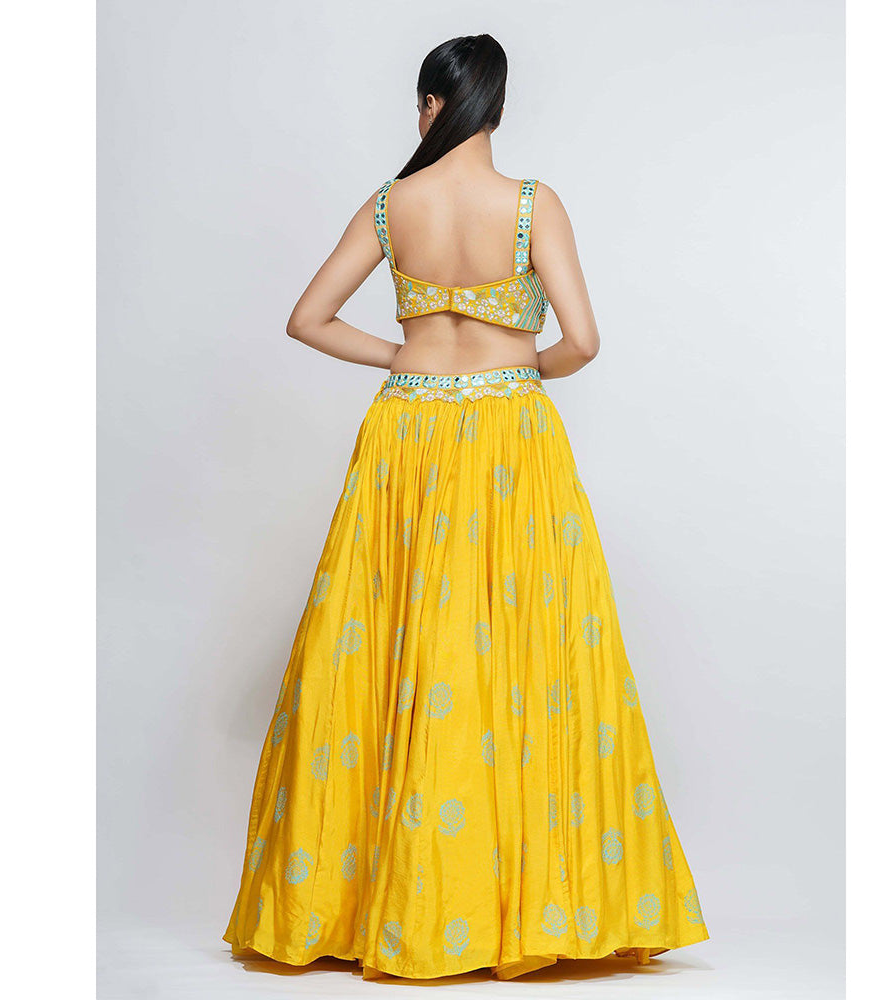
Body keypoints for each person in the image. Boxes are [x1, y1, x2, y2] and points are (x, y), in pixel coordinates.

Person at [222, 32, 709, 981]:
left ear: (433, 105)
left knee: (393, 634)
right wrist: (519, 372)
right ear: (499, 106)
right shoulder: (530, 205)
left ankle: (376, 906)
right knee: (525, 644)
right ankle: (516, 906)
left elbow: (307, 319)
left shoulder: (390, 203)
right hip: (508, 438)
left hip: (405, 432)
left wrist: (404, 360)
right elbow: (583, 341)